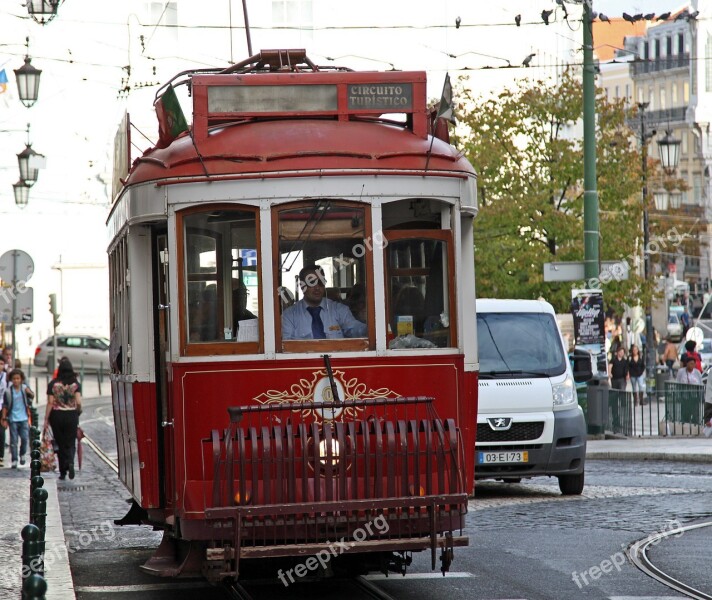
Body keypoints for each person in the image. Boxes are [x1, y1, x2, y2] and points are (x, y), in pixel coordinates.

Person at [282, 265, 367, 340]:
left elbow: (356, 329)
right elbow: (286, 346)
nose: (317, 287)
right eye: (312, 282)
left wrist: (371, 329)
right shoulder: (289, 316)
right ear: (302, 286)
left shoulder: (339, 310)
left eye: (321, 282)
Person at [43, 357, 82, 480]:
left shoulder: (53, 384)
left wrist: (46, 419)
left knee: (59, 442)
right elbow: (79, 401)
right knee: (70, 442)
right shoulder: (75, 384)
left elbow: (50, 402)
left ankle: (63, 471)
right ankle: (70, 461)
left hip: (57, 416)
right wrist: (78, 411)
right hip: (71, 415)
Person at [1, 368, 34, 469]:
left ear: (21, 379)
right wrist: (4, 418)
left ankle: (22, 454)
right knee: (13, 440)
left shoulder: (24, 389)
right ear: (11, 380)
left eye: (18, 378)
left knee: (24, 438)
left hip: (23, 418)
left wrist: (30, 392)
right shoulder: (8, 392)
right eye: (14, 379)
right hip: (13, 419)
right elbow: (5, 405)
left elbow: (32, 396)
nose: (16, 381)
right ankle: (14, 459)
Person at [0, 357, 8, 466]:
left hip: (2, 406)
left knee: (1, 431)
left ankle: (0, 455)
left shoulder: (6, 377)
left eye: (2, 363)